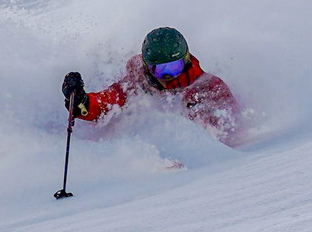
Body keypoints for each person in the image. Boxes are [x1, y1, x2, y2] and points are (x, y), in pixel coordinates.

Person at [61, 27, 244, 147]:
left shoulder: (209, 88)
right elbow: (106, 104)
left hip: (196, 168)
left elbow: (232, 131)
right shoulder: (138, 83)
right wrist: (80, 102)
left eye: (174, 67)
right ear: (147, 67)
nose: (167, 76)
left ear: (186, 60)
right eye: (159, 69)